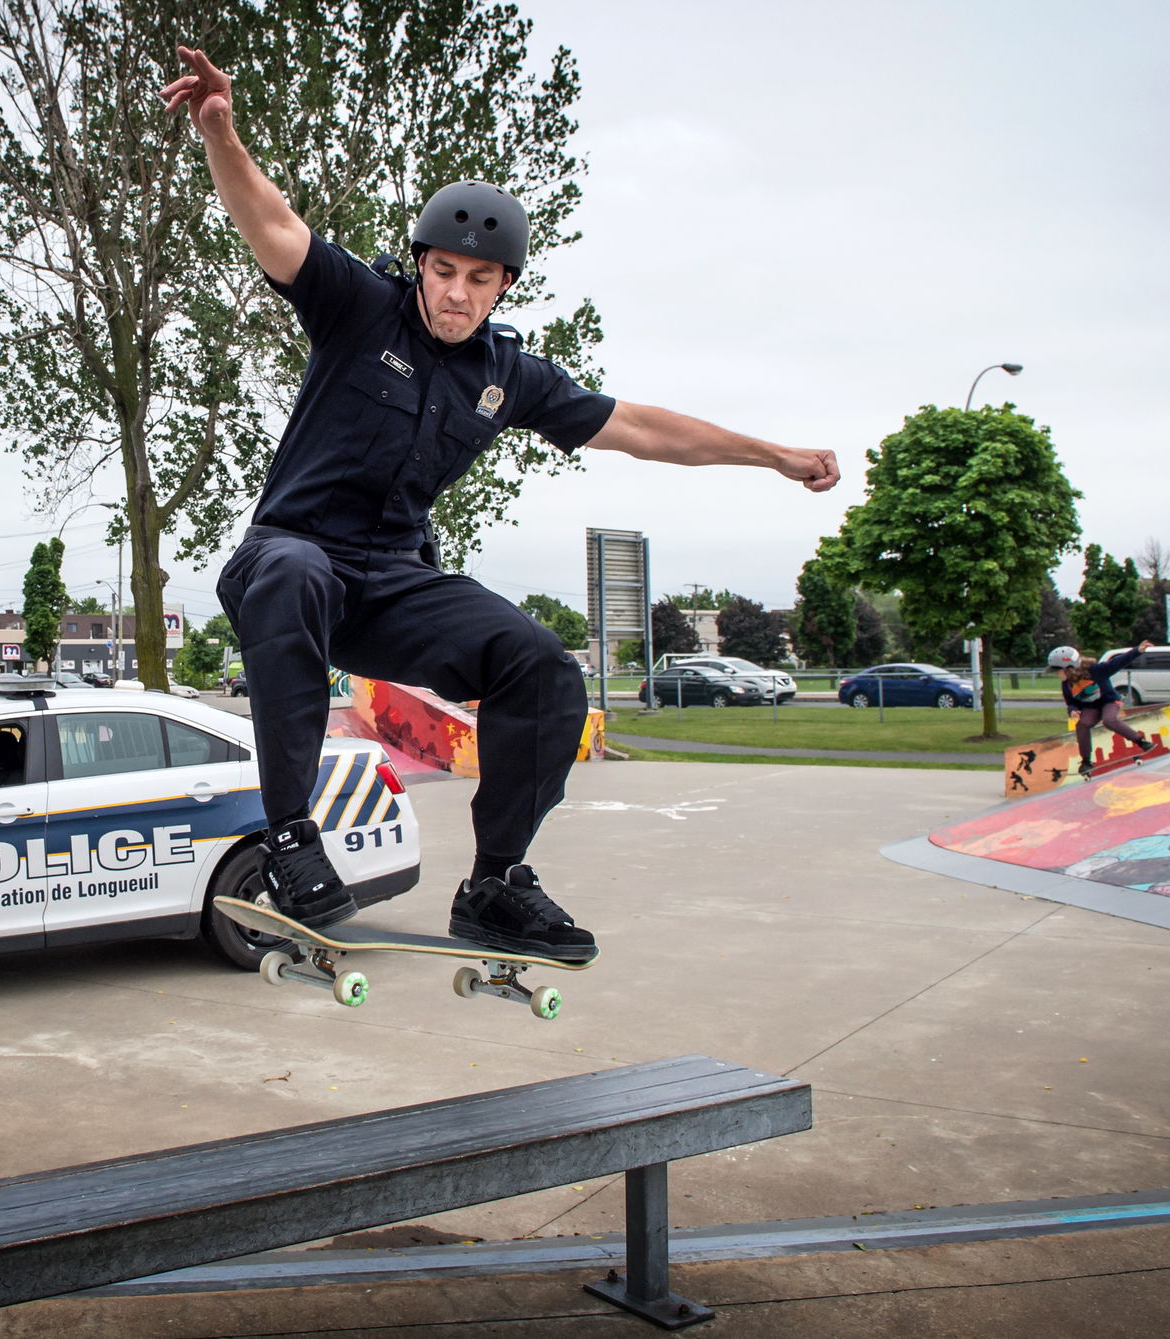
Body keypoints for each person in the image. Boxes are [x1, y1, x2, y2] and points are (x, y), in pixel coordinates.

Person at [161, 47, 840, 958]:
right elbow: (272, 224)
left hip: (394, 587)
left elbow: (639, 426)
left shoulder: (506, 375)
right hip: (288, 559)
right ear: (420, 266)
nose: (456, 294)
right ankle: (290, 837)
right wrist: (221, 132)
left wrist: (772, 456)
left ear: (503, 287)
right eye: (444, 272)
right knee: (293, 569)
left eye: (479, 281)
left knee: (542, 667)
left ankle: (495, 883)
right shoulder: (360, 306)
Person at [1047, 641, 1160, 777]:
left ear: (1069, 668)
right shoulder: (1067, 684)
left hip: (1110, 702)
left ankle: (1141, 742)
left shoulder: (1096, 670)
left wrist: (1137, 650)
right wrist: (1072, 709)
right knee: (1082, 725)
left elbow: (1117, 662)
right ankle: (1086, 762)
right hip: (1091, 708)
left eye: (1057, 671)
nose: (1056, 675)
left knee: (1109, 720)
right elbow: (1070, 702)